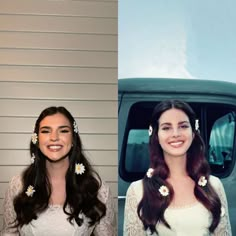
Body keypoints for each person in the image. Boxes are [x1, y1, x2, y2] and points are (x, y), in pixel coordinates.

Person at [1, 106, 116, 236]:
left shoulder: (98, 189)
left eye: (63, 131)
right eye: (45, 131)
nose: (54, 137)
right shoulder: (18, 185)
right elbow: (9, 233)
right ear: (37, 139)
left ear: (73, 139)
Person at [123, 100, 231, 236]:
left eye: (183, 126)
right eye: (166, 127)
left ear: (193, 132)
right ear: (156, 135)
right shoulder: (138, 191)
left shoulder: (214, 185)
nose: (175, 133)